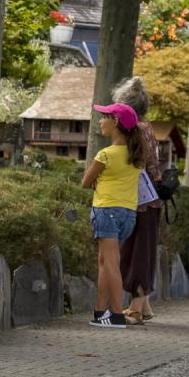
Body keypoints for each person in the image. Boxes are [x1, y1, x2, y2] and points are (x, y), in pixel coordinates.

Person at [81, 102, 144, 328]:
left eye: (104, 116)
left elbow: (85, 182)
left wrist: (98, 181)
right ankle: (100, 313)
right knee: (104, 262)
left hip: (106, 210)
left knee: (110, 263)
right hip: (128, 213)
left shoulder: (105, 154)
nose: (100, 120)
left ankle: (117, 315)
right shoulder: (136, 155)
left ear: (116, 122)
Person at [111, 77, 162, 325]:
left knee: (138, 252)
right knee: (142, 250)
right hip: (150, 199)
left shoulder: (135, 132)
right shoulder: (148, 127)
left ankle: (135, 307)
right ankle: (145, 306)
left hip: (141, 199)